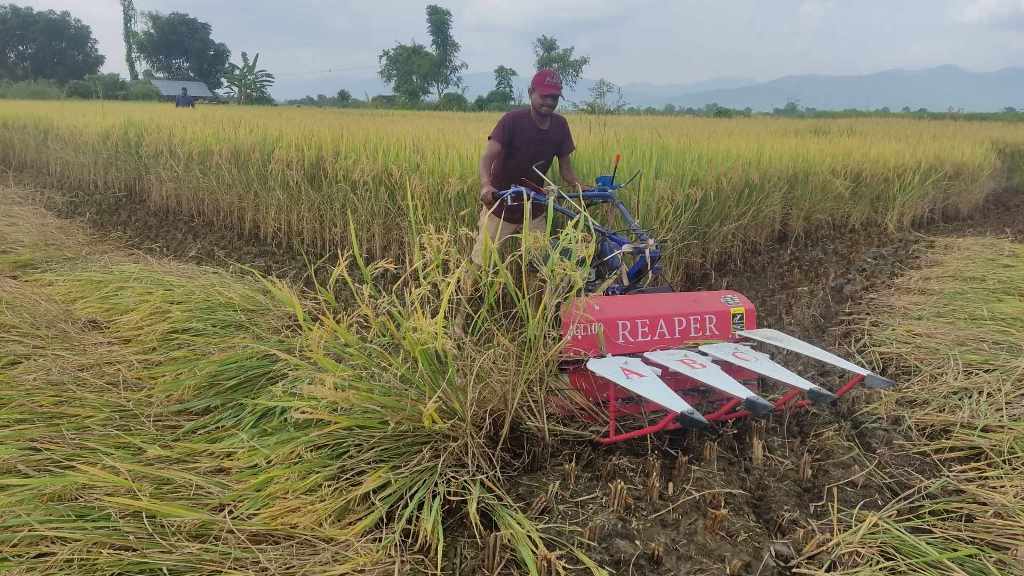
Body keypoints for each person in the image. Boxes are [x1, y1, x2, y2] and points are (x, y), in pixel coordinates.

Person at [471, 68, 583, 266]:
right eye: (544, 96)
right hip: (501, 204)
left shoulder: (560, 125)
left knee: (539, 263)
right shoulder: (512, 121)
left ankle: (536, 295)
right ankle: (466, 293)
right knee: (481, 261)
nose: (549, 102)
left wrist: (580, 187)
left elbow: (566, 171)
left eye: (554, 97)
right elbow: (487, 157)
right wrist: (486, 185)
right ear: (531, 92)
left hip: (534, 206)